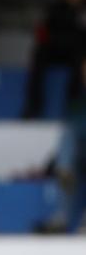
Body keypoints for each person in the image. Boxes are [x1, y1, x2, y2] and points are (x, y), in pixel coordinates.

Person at [22, 0, 86, 119]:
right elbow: (43, 33)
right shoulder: (56, 7)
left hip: (78, 53)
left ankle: (73, 106)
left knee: (81, 59)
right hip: (57, 50)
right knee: (39, 55)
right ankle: (33, 105)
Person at [35, 56, 86, 233]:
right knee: (69, 133)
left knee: (70, 138)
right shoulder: (77, 98)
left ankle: (64, 165)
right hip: (78, 151)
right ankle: (62, 216)